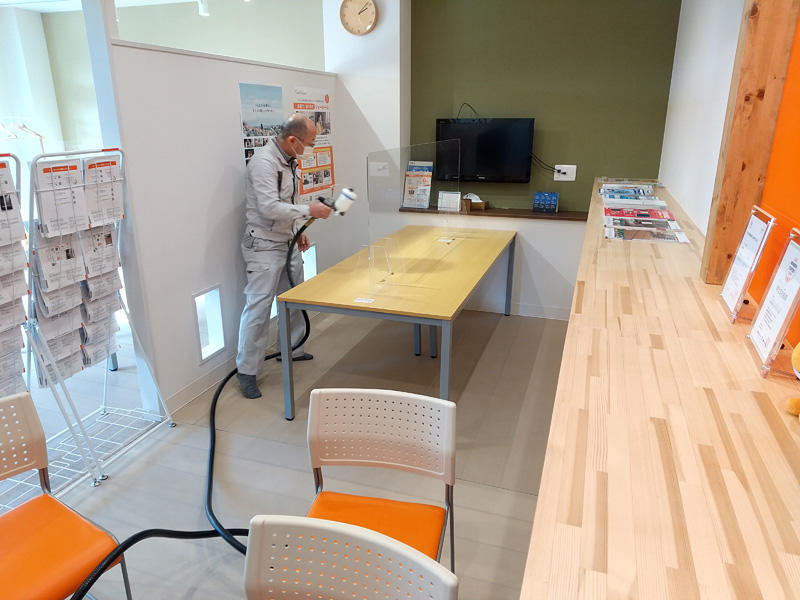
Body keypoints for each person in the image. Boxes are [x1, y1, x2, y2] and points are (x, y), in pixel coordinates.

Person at [236, 114, 332, 399]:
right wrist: (310, 211)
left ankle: (291, 349)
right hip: (263, 245)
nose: (309, 149)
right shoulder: (263, 163)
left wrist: (297, 230)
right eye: (309, 143)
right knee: (259, 307)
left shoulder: (289, 160)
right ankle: (247, 371)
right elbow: (269, 207)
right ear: (292, 140)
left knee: (294, 297)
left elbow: (288, 201)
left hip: (286, 240)